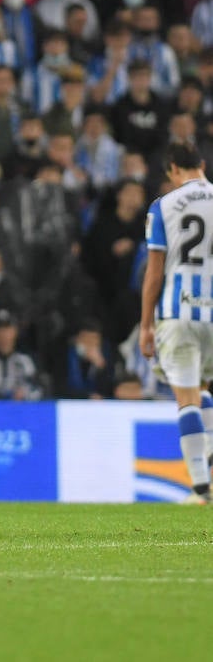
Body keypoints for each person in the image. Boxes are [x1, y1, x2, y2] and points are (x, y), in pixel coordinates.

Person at [139, 141, 213, 504]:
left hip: (177, 312)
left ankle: (201, 488)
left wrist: (145, 324)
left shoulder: (163, 206)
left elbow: (154, 273)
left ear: (172, 170)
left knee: (187, 400)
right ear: (202, 164)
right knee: (203, 390)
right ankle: (210, 465)